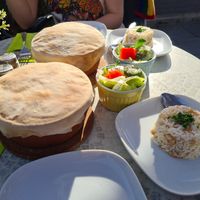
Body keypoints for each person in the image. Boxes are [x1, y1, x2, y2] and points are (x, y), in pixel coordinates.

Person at [5, 0, 124, 33]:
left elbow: (116, 15)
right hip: (65, 43)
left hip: (106, 40)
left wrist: (79, 31)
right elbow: (26, 21)